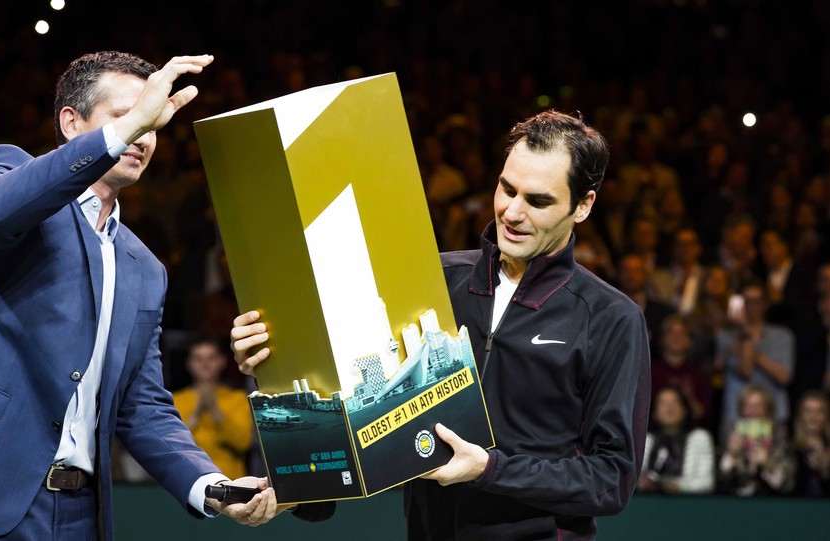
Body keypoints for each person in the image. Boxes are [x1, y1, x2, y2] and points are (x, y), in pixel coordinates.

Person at [231, 110, 652, 540]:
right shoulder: (434, 281)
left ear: (583, 206)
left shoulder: (611, 318)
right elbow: (361, 407)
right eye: (507, 189)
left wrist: (490, 469)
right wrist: (275, 365)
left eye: (538, 200)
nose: (512, 212)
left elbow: (612, 479)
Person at [0, 51, 280, 539]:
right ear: (71, 122)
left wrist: (210, 486)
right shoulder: (6, 170)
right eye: (129, 116)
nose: (144, 135)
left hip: (82, 516)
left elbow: (141, 405)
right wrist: (119, 134)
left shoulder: (146, 269)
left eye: (153, 122)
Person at [716, 281, 795, 442]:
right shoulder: (726, 337)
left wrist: (754, 353)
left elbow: (784, 377)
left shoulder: (782, 336)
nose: (751, 307)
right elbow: (745, 370)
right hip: (736, 417)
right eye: (746, 301)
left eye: (756, 301)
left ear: (765, 304)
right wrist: (745, 334)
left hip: (774, 417)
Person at [173, 339, 253, 479]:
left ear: (222, 361)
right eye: (198, 359)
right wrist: (197, 412)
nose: (205, 363)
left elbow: (243, 442)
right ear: (189, 364)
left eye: (211, 358)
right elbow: (173, 445)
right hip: (188, 481)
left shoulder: (237, 398)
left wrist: (214, 408)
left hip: (230, 481)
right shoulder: (175, 399)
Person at [717, 384, 795, 496]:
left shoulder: (780, 443)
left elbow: (788, 486)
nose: (753, 411)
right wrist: (731, 455)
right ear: (741, 411)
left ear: (768, 411)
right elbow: (721, 484)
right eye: (747, 406)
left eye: (758, 405)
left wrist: (769, 465)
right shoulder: (732, 440)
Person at [638, 386, 715, 495]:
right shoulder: (644, 440)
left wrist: (679, 486)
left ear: (685, 410)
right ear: (654, 412)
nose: (669, 407)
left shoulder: (700, 438)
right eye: (663, 403)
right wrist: (642, 483)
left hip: (689, 506)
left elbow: (707, 483)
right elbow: (627, 480)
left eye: (675, 402)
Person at [791, 390, 830, 497]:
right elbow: (787, 487)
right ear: (800, 415)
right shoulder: (790, 447)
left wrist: (825, 469)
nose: (813, 417)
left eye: (819, 411)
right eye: (808, 411)